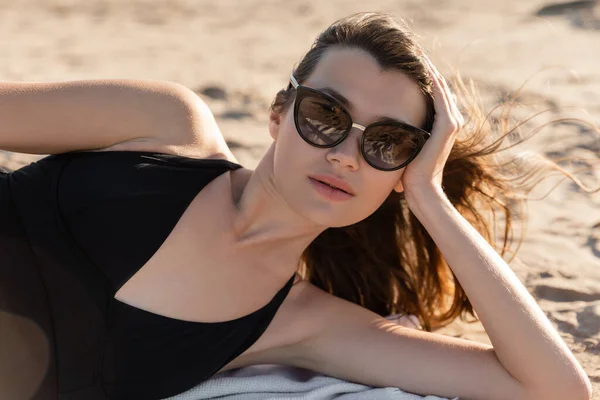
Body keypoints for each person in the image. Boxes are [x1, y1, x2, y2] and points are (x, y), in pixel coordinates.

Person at [0, 11, 592, 400]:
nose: (346, 156)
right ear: (280, 113)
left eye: (387, 143)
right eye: (327, 116)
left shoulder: (304, 324)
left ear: (407, 169)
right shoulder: (162, 124)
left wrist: (430, 201)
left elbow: (557, 391)